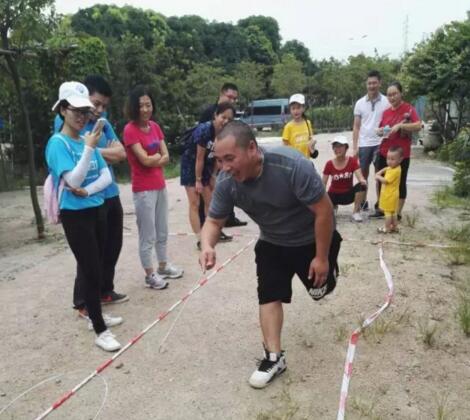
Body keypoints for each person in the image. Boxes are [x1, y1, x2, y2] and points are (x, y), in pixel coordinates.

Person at [199, 121, 342, 389]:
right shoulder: (227, 182)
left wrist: (321, 257)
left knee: (321, 290)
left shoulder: (291, 166)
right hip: (272, 242)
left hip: (310, 238)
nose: (225, 167)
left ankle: (329, 267)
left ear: (252, 148)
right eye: (219, 160)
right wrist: (207, 244)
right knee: (268, 293)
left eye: (230, 158)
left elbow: (324, 211)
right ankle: (274, 357)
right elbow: (214, 222)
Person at [46, 81, 122, 352]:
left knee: (99, 264)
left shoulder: (81, 140)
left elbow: (103, 176)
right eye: (76, 110)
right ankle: (100, 329)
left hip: (97, 206)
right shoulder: (59, 143)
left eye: (84, 110)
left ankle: (95, 314)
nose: (82, 115)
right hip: (75, 215)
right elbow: (72, 178)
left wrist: (87, 190)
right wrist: (90, 148)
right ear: (63, 109)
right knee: (90, 269)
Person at [123, 85, 183, 290]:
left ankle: (163, 265)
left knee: (162, 228)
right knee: (147, 233)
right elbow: (144, 160)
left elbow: (165, 156)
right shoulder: (130, 130)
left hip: (159, 185)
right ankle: (150, 274)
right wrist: (156, 159)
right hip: (143, 189)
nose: (146, 109)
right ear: (134, 108)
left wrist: (154, 159)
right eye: (141, 106)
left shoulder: (155, 127)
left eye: (148, 104)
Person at [181, 102, 235, 249]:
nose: (225, 121)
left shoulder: (224, 133)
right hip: (191, 165)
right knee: (195, 202)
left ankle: (210, 233)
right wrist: (198, 181)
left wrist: (212, 176)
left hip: (207, 166)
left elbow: (217, 158)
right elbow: (199, 158)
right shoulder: (204, 130)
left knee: (210, 201)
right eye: (223, 117)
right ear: (215, 115)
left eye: (229, 119)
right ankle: (199, 239)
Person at [199, 83, 247, 228]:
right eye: (229, 97)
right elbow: (201, 138)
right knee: (207, 192)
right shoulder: (209, 112)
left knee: (227, 183)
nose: (232, 100)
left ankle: (229, 217)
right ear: (221, 94)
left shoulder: (231, 113)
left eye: (234, 98)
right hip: (208, 156)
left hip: (224, 155)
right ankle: (208, 224)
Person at [375, 81, 422, 219]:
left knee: (400, 182)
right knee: (382, 180)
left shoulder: (409, 109)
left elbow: (418, 125)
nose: (392, 97)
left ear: (401, 93)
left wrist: (401, 126)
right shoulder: (385, 112)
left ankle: (398, 212)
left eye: (395, 94)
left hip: (401, 154)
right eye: (389, 95)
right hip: (385, 151)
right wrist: (379, 131)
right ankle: (383, 208)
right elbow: (381, 129)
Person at [352, 70, 390, 212]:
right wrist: (355, 147)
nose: (372, 86)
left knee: (380, 174)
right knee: (363, 174)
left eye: (374, 83)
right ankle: (362, 202)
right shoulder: (359, 103)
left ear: (380, 83)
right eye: (369, 83)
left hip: (381, 143)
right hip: (364, 144)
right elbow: (356, 127)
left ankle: (381, 204)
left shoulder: (386, 101)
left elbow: (389, 122)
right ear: (366, 84)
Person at [322, 136, 367, 222]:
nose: (337, 149)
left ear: (346, 148)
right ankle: (333, 207)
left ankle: (356, 212)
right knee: (322, 192)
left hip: (348, 194)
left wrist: (362, 180)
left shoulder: (352, 161)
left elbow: (360, 176)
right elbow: (323, 183)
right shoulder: (329, 164)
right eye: (335, 146)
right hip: (333, 194)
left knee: (362, 185)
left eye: (340, 146)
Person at [375, 146, 403, 233]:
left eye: (392, 159)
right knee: (393, 212)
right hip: (393, 195)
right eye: (388, 158)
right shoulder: (395, 167)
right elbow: (386, 168)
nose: (389, 161)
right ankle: (394, 227)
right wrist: (381, 171)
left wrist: (377, 176)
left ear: (400, 160)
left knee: (387, 213)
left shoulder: (394, 171)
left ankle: (387, 228)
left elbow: (385, 181)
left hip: (389, 195)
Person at [282, 93, 316, 158]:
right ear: (290, 110)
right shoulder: (288, 127)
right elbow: (285, 149)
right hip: (294, 163)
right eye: (293, 108)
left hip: (306, 162)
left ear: (303, 108)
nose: (296, 111)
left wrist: (313, 146)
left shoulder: (308, 123)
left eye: (298, 108)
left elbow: (311, 142)